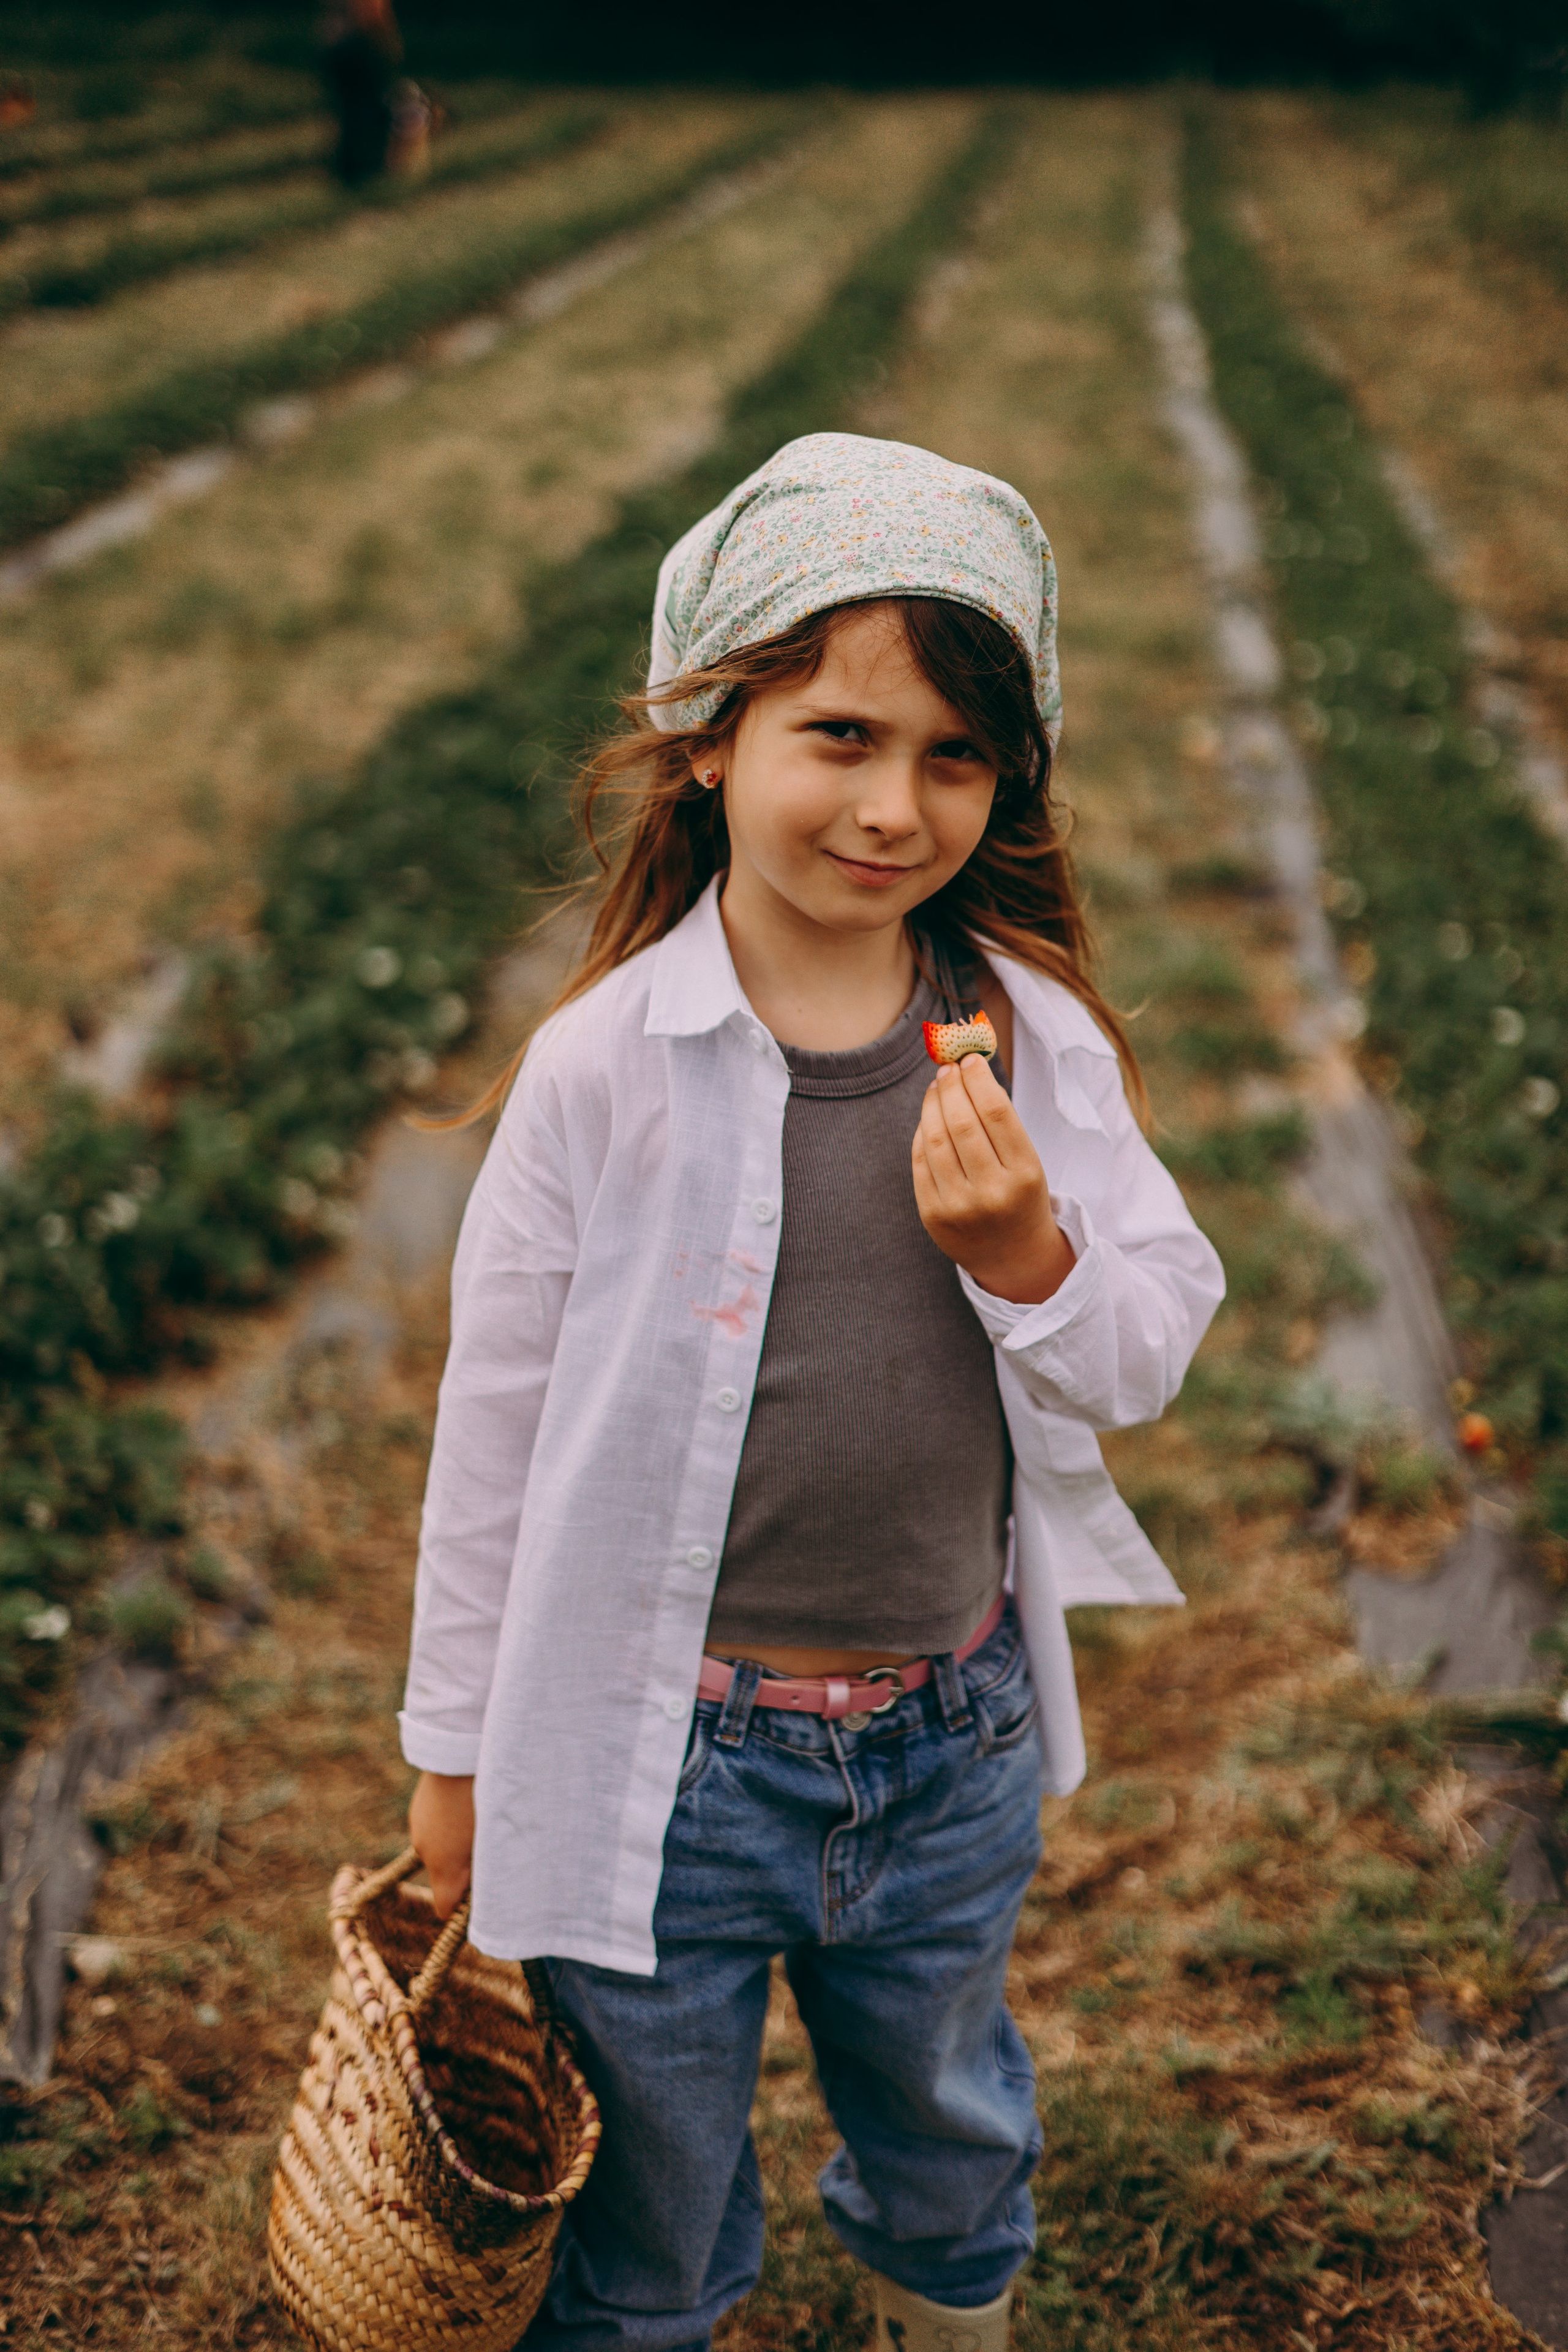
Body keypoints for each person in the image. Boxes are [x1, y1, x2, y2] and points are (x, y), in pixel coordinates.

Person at [401, 433, 1225, 2351]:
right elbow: (494, 1437)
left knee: (946, 2117)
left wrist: (1030, 1253)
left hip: (949, 1745)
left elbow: (1148, 1338)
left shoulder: (1030, 1039)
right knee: (648, 2196)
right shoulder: (607, 1066)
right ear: (710, 736)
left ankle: (944, 2309)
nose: (894, 802)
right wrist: (454, 1756)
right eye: (840, 735)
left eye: (954, 753)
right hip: (662, 1767)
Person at [319, 0, 401, 188]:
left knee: (359, 110)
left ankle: (361, 167)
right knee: (359, 110)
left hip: (358, 42)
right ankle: (362, 167)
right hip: (364, 42)